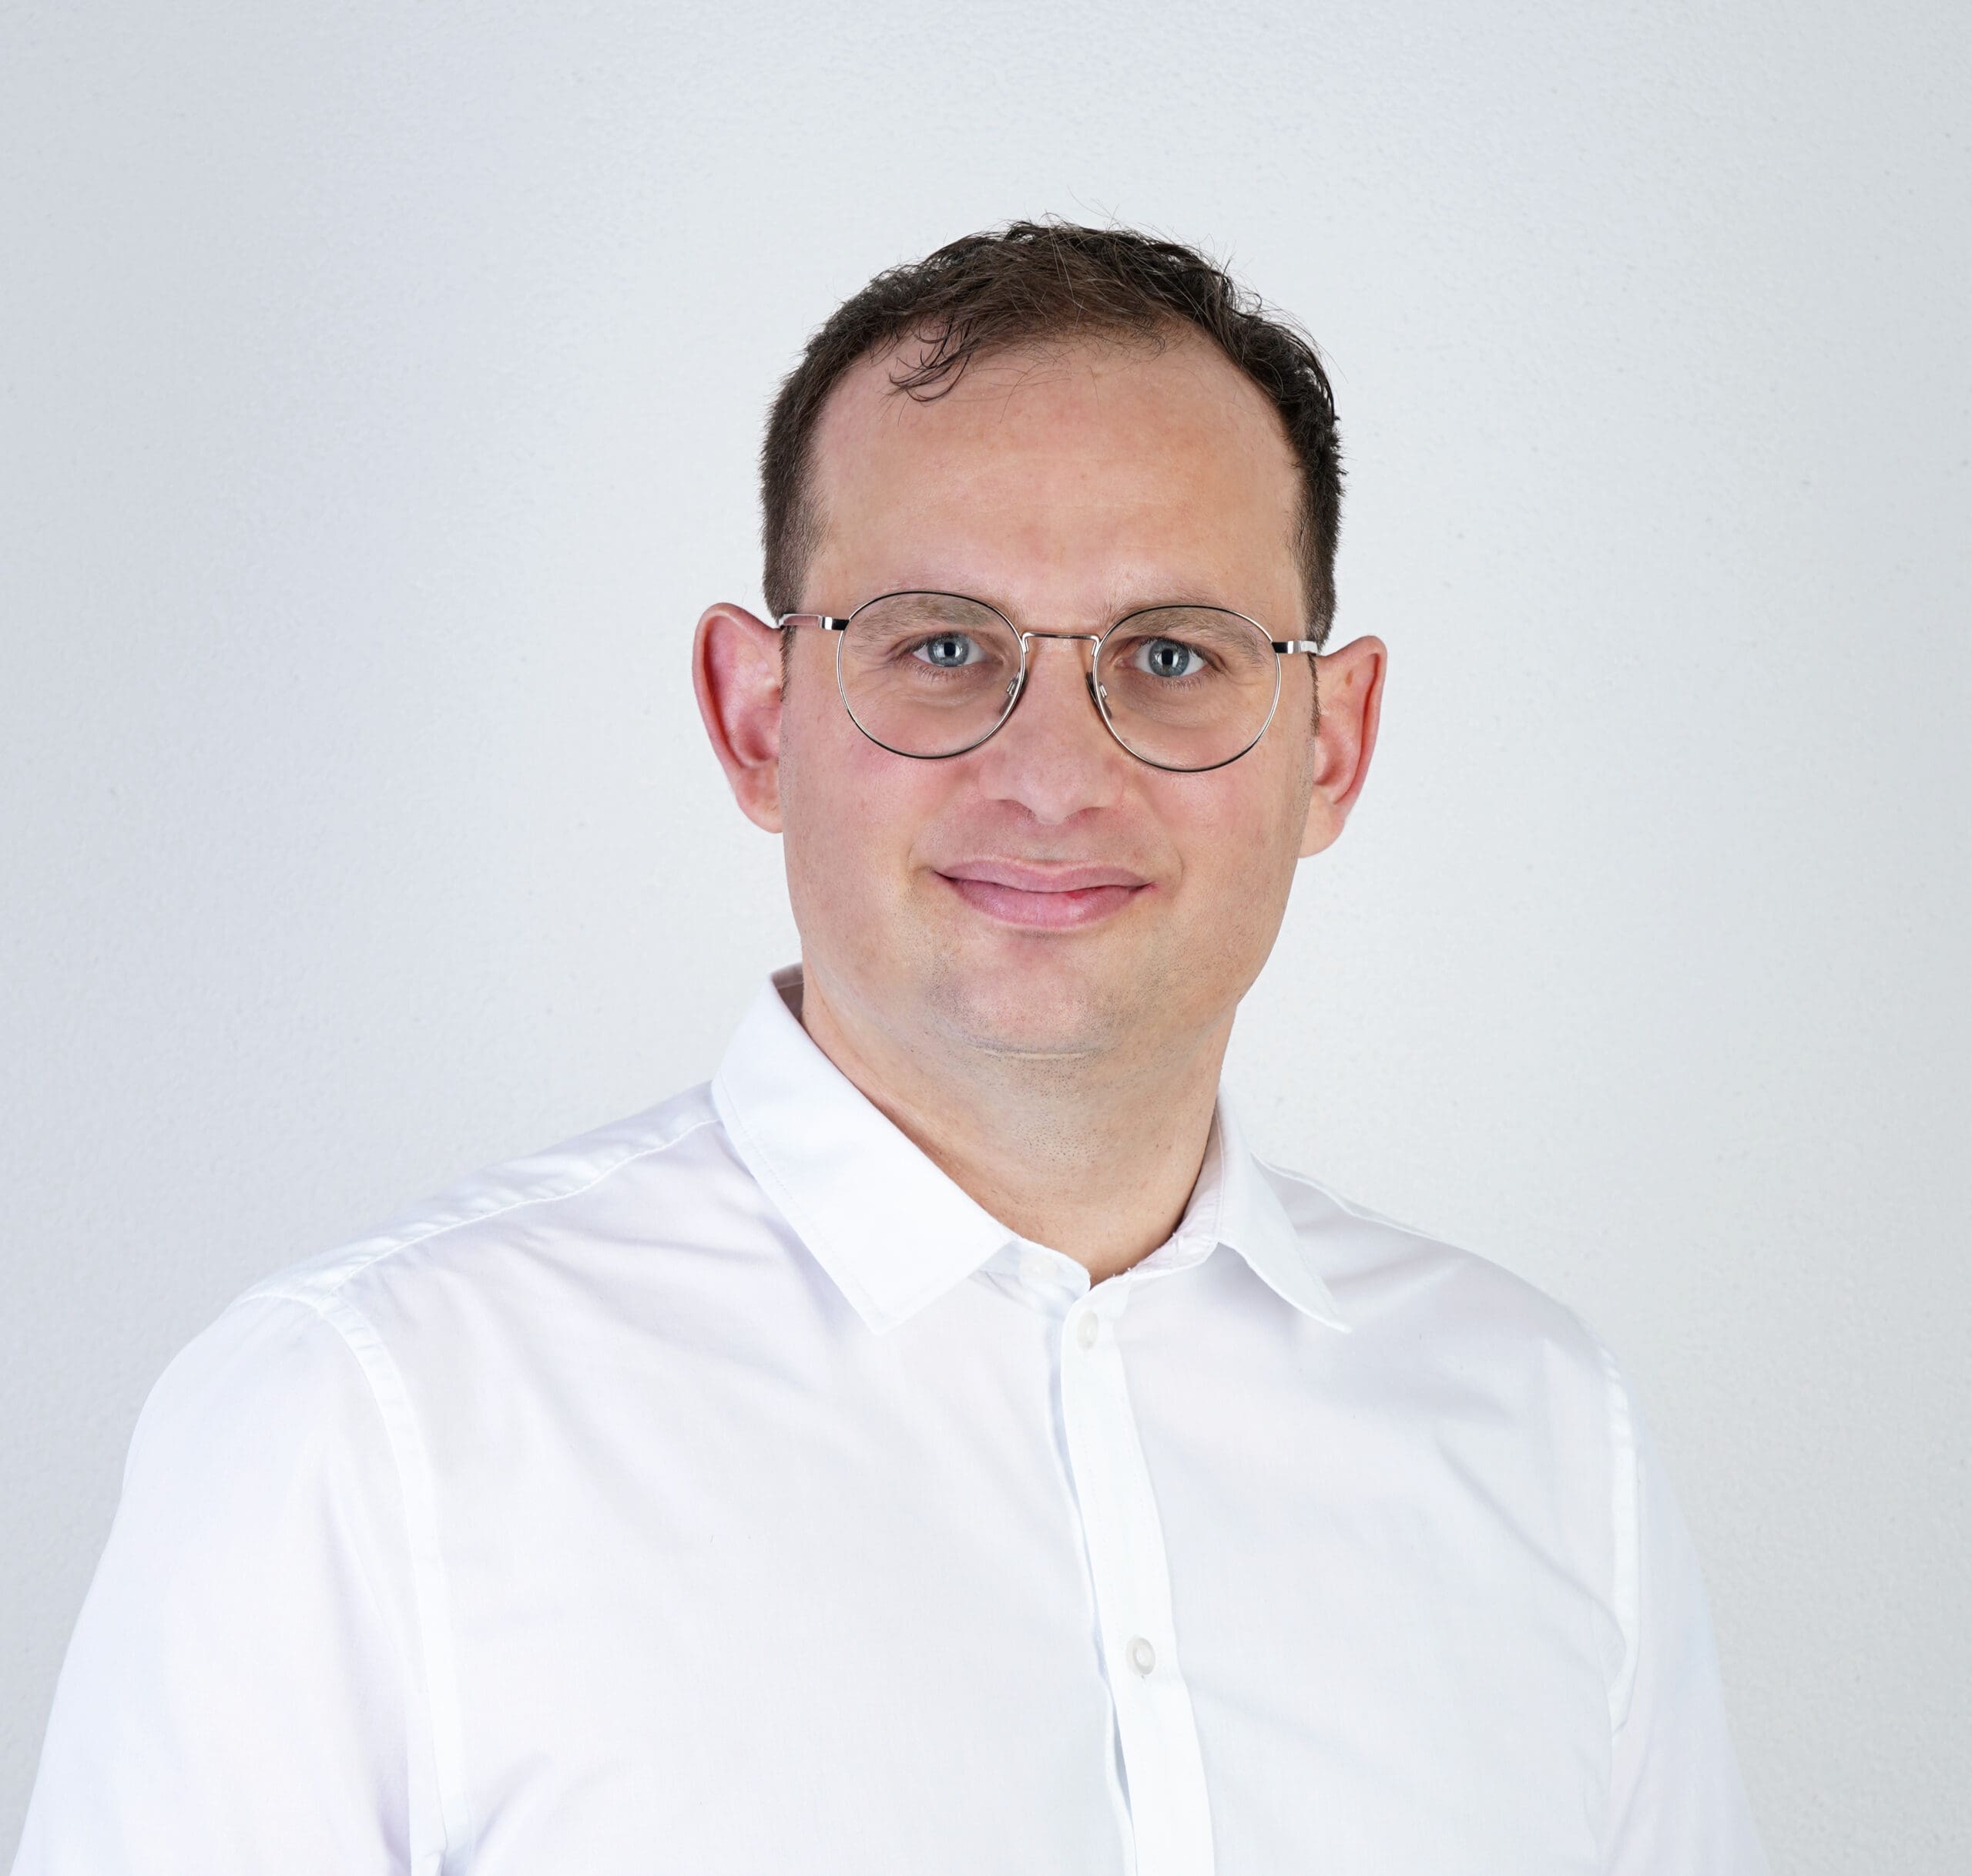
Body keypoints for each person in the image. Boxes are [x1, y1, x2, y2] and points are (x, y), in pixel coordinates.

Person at [12, 221, 1769, 1874]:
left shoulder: (1547, 1438)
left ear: (1330, 743)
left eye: (1172, 656)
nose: (1055, 775)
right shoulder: (361, 1426)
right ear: (754, 716)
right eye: (942, 647)